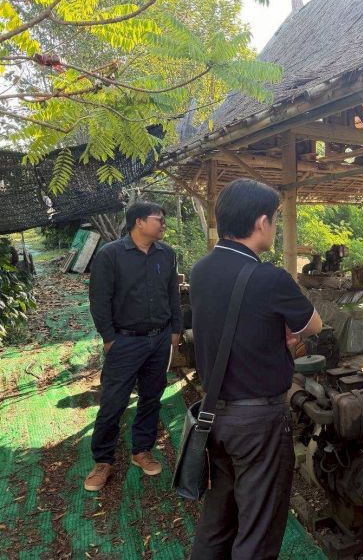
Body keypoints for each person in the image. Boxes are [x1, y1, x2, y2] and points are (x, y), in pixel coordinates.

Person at [189, 178, 322, 560]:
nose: (275, 227)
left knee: (219, 517)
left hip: (213, 414)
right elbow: (313, 324)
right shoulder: (269, 277)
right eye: (275, 219)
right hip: (258, 423)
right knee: (258, 529)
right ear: (262, 222)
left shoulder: (200, 270)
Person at [86, 201, 182, 491]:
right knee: (113, 402)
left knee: (152, 397)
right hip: (125, 340)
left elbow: (173, 294)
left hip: (160, 339)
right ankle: (103, 461)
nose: (163, 224)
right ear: (139, 222)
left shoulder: (167, 254)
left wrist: (175, 330)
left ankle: (142, 451)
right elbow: (99, 300)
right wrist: (109, 337)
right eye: (158, 219)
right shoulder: (110, 255)